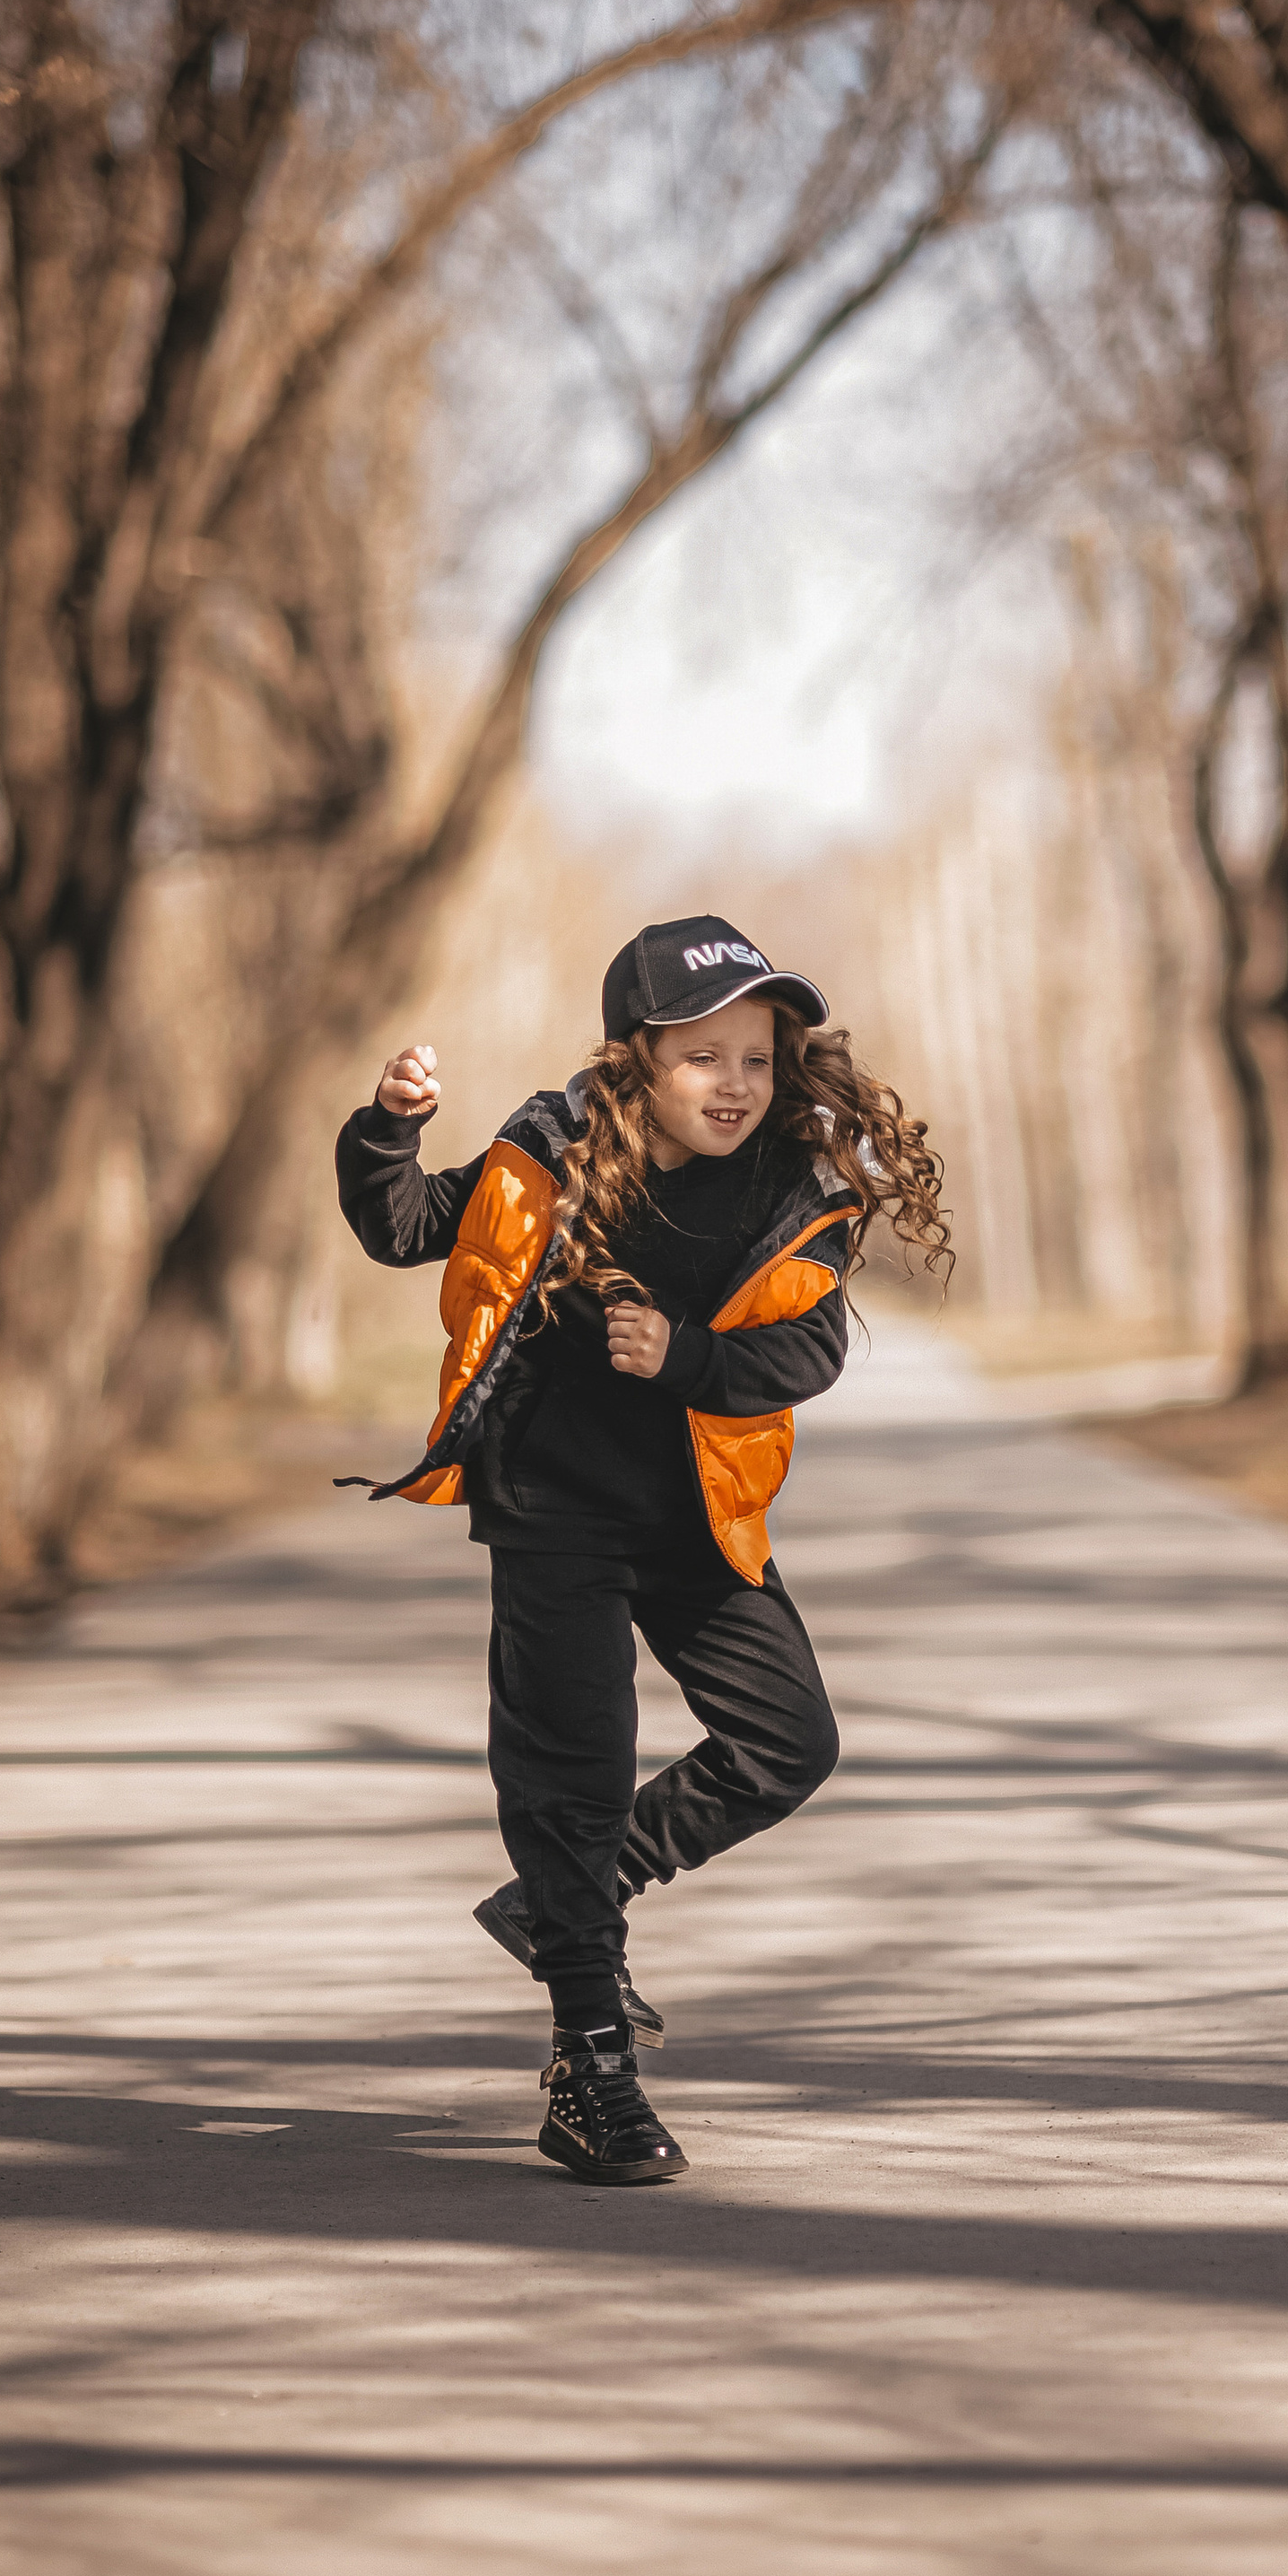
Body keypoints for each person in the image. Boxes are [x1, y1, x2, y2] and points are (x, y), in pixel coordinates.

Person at [334, 915, 950, 2187]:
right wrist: (388, 1129)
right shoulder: (547, 1156)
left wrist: (689, 1358)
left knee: (791, 1741)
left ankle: (574, 1892)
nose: (736, 1083)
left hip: (695, 1515)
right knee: (571, 1771)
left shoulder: (793, 1186)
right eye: (704, 1056)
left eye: (759, 1058)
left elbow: (811, 1350)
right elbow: (403, 1225)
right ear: (635, 1059)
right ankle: (591, 2071)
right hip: (551, 1503)